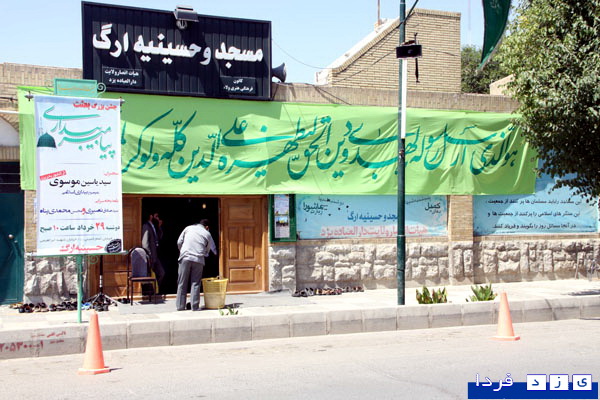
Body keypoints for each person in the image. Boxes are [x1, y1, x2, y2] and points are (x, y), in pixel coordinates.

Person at [176, 218, 217, 311]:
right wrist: (203, 253)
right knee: (195, 283)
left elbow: (179, 242)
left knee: (182, 282)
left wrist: (182, 251)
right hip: (198, 259)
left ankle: (180, 306)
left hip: (185, 257)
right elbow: (208, 249)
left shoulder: (188, 228)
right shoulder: (207, 233)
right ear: (207, 227)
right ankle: (194, 306)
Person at [141, 211, 165, 285]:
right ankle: (151, 290)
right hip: (150, 257)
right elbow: (145, 243)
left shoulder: (153, 226)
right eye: (156, 216)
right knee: (150, 276)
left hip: (155, 256)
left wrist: (159, 227)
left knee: (161, 273)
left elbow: (159, 238)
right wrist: (149, 256)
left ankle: (155, 290)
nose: (158, 219)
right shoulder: (146, 226)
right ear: (151, 216)